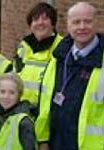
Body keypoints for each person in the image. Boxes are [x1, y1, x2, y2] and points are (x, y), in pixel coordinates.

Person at [40, 2, 104, 150]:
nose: (82, 27)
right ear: (68, 25)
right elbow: (45, 102)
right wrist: (43, 139)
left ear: (97, 23)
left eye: (87, 21)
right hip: (55, 143)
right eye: (76, 22)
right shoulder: (58, 57)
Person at [15, 2, 62, 149]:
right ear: (30, 24)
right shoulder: (23, 48)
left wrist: (44, 138)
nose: (40, 23)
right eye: (35, 19)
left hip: (50, 126)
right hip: (23, 120)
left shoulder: (62, 49)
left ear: (53, 23)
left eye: (45, 18)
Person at [0, 72, 37, 150]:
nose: (6, 96)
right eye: (2, 92)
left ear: (19, 95)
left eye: (12, 93)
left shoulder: (24, 122)